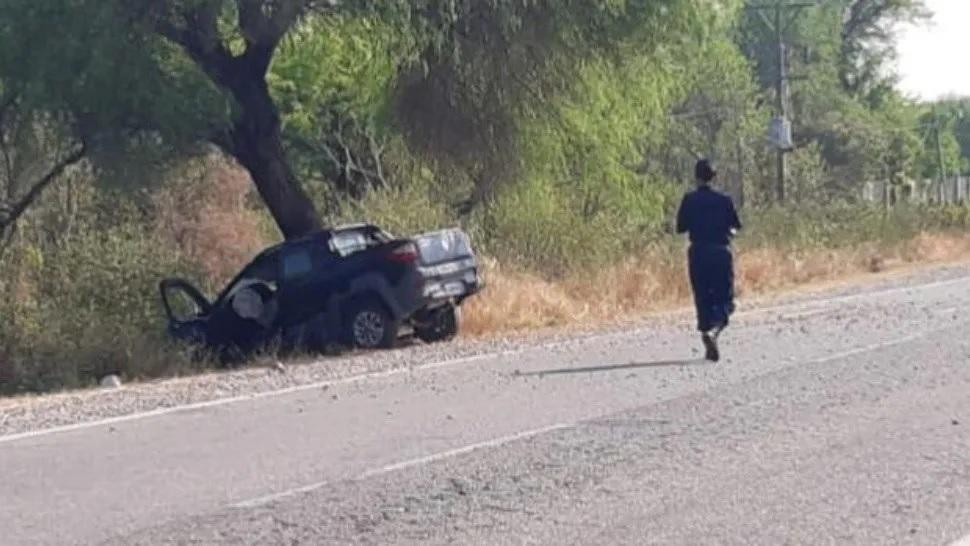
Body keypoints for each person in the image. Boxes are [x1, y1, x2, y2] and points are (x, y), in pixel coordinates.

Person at [676, 159, 742, 362]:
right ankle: (714, 331)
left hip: (698, 252)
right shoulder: (725, 200)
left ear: (696, 177)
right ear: (714, 177)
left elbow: (681, 228)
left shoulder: (689, 199)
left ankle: (707, 332)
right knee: (725, 299)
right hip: (721, 252)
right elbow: (736, 225)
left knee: (702, 296)